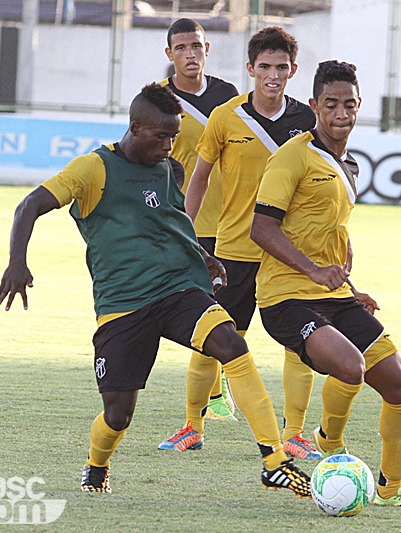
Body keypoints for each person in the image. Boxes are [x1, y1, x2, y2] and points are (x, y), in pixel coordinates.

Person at [0, 83, 311, 498]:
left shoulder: (166, 168)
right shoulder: (93, 169)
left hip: (178, 290)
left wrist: (204, 255)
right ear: (135, 127)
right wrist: (17, 261)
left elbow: (171, 220)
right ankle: (97, 465)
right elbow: (29, 205)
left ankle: (273, 460)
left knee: (230, 343)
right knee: (118, 415)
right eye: (162, 136)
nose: (169, 145)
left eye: (174, 137)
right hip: (123, 306)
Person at [250, 60, 401, 509]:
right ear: (314, 105)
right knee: (350, 367)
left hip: (335, 297)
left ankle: (391, 491)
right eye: (330, 104)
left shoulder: (348, 163)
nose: (340, 113)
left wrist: (350, 288)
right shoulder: (293, 155)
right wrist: (313, 271)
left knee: (400, 387)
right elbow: (262, 228)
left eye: (349, 104)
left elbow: (327, 230)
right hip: (285, 298)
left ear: (359, 107)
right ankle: (328, 441)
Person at [173, 26, 322, 460]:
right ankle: (193, 426)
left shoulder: (305, 122)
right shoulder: (225, 117)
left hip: (287, 254)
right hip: (234, 250)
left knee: (303, 343)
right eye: (264, 67)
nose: (272, 75)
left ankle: (294, 433)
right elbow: (199, 179)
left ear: (293, 70)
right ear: (250, 69)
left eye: (281, 68)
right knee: (215, 338)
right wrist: (185, 230)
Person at [156, 18, 241, 434]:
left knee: (224, 310)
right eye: (182, 47)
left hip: (232, 221)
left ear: (208, 49)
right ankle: (204, 407)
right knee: (200, 310)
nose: (191, 53)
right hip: (184, 221)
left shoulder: (229, 96)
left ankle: (214, 398)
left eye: (198, 46)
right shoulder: (158, 99)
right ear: (169, 54)